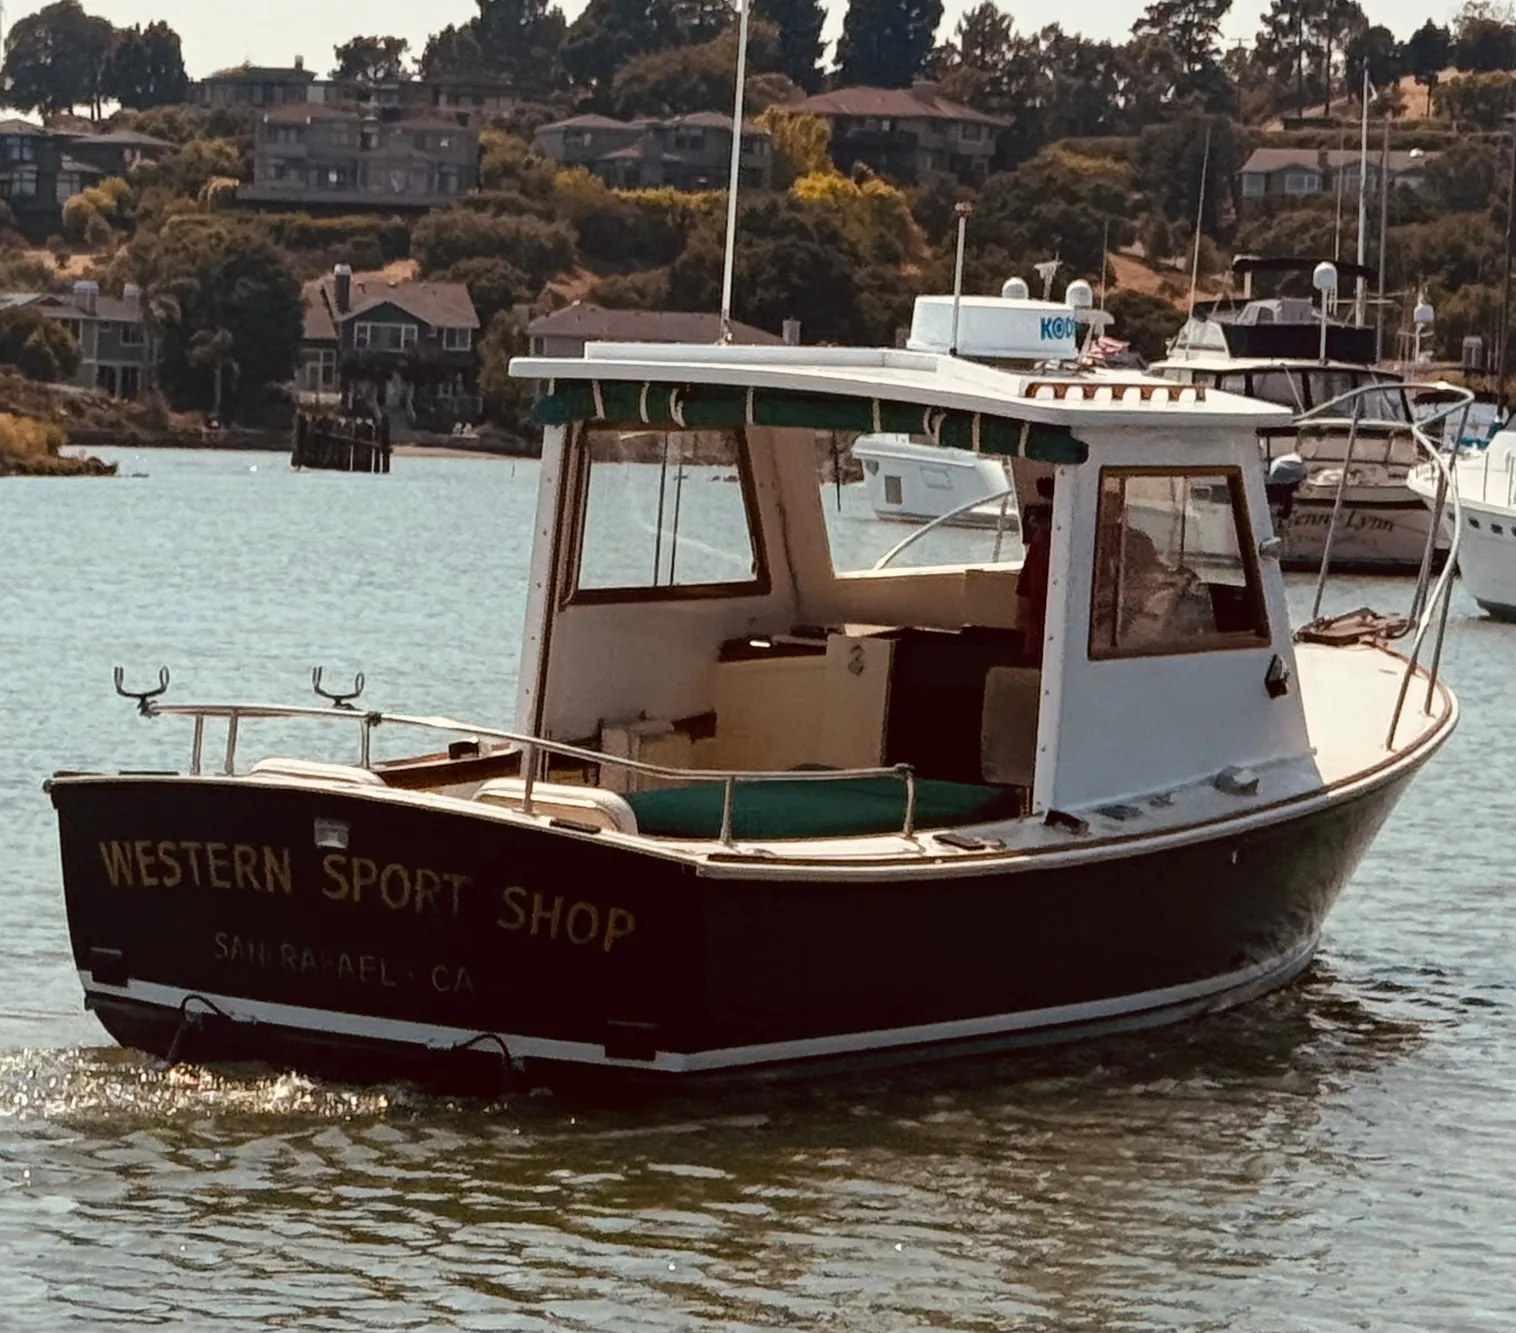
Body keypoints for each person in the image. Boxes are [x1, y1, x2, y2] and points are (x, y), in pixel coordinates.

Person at [1016, 477, 1055, 664]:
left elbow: (1022, 610)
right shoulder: (1043, 540)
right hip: (1040, 648)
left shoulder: (1043, 539)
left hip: (1039, 648)